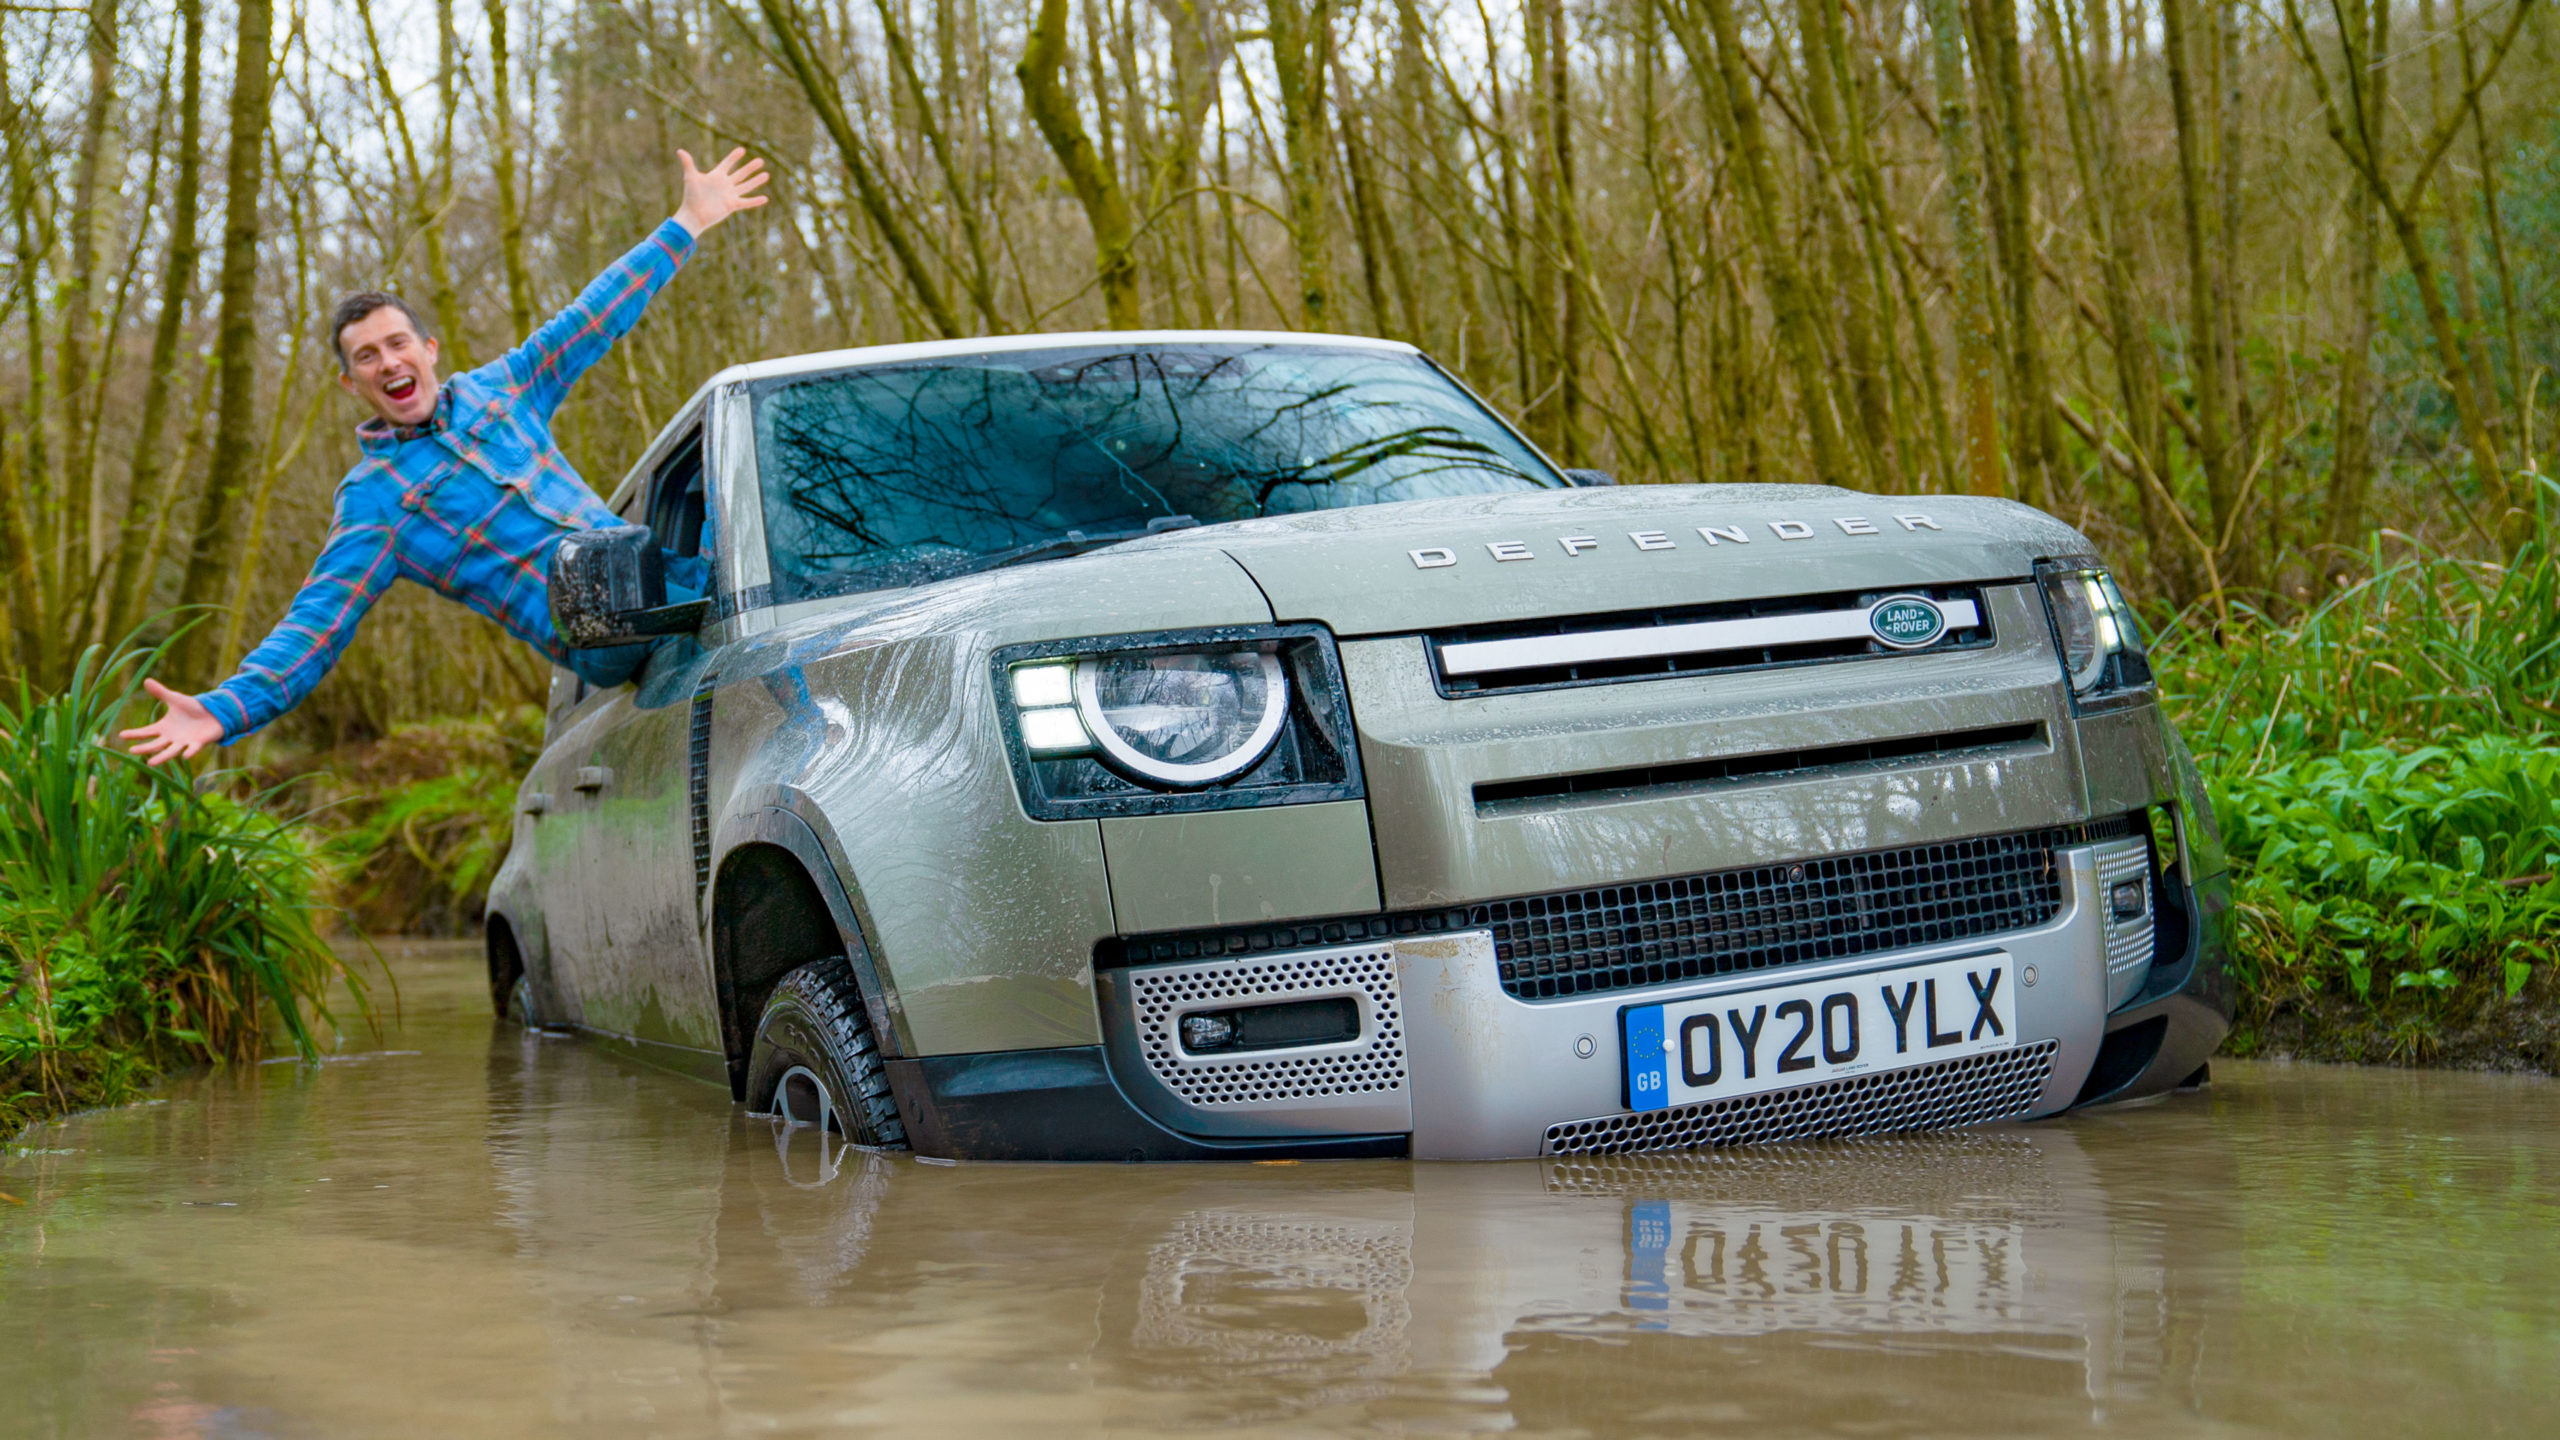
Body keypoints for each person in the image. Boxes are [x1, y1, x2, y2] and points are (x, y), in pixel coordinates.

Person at [121, 148, 768, 766]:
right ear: (351, 384)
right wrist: (222, 710)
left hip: (657, 576)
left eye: (397, 343)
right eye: (367, 357)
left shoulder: (502, 389)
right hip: (603, 633)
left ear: (427, 350)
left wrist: (686, 222)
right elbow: (315, 625)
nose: (388, 362)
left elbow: (592, 317)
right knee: (687, 598)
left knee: (738, 519)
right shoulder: (376, 500)